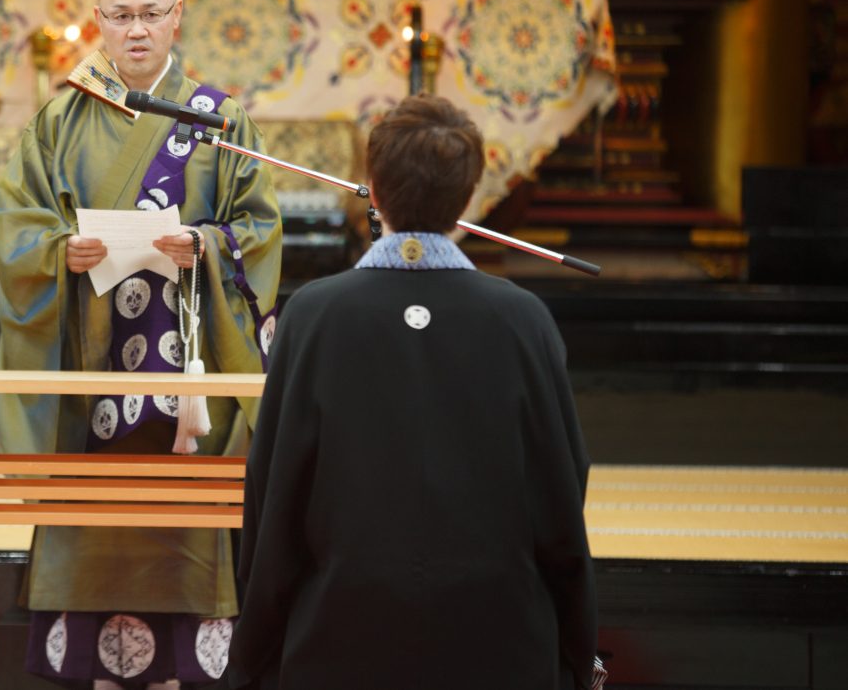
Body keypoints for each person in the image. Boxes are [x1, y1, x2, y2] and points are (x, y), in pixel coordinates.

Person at [226, 95, 598, 690]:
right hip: (499, 642)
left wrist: (251, 653)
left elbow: (274, 497)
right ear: (472, 194)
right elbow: (561, 497)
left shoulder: (315, 316)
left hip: (338, 638)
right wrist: (581, 649)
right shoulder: (522, 319)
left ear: (371, 190)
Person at [0, 0, 284, 689]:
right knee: (93, 513)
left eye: (152, 13)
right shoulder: (60, 119)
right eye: (120, 16)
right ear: (98, 21)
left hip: (187, 369)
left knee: (184, 520)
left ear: (177, 15)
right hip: (92, 366)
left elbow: (259, 228)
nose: (137, 31)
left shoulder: (219, 119)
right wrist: (63, 252)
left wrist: (209, 246)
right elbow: (15, 230)